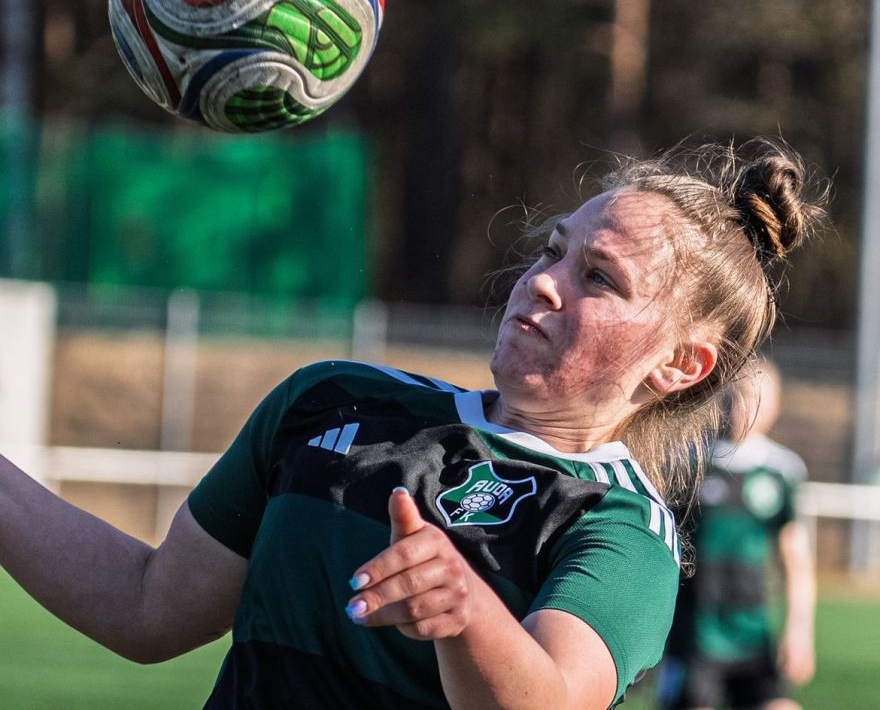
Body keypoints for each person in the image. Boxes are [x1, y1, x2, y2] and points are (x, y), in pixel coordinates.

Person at [0, 139, 824, 710]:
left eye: (599, 278)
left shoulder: (623, 531)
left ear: (682, 365)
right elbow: (146, 608)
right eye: (552, 250)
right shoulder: (332, 400)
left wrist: (468, 611)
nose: (542, 282)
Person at [657, 359, 817, 710]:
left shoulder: (782, 470)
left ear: (776, 404)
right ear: (723, 397)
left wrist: (799, 630)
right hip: (695, 636)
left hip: (752, 634)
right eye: (742, 395)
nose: (750, 406)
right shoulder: (689, 462)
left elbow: (797, 562)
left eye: (762, 397)